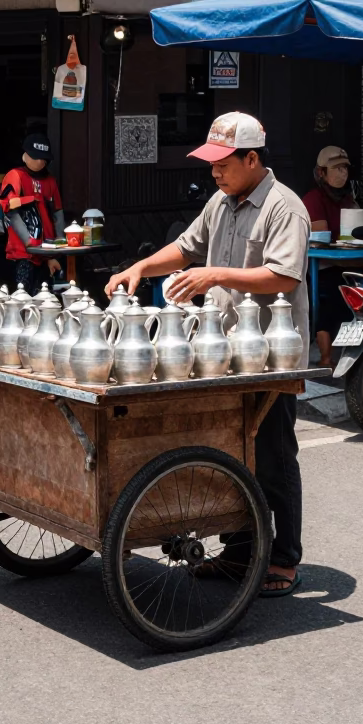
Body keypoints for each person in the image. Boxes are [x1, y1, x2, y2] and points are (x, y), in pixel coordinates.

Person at [106, 112, 309, 597]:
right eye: (211, 164)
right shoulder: (221, 202)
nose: (214, 173)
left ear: (252, 158)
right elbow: (185, 248)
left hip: (270, 357)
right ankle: (239, 552)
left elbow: (283, 276)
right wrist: (140, 267)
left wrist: (215, 275)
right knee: (228, 452)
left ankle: (284, 558)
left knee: (273, 455)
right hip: (223, 354)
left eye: (223, 164)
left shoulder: (286, 207)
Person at [302, 146, 358, 367]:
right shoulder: (313, 199)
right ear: (321, 172)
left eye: (344, 168)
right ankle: (327, 357)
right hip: (323, 266)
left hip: (349, 263)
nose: (342, 173)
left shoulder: (347, 199)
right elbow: (322, 242)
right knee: (327, 299)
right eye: (336, 168)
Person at [0, 133, 64, 294]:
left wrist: (60, 246)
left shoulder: (50, 181)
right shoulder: (15, 176)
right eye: (36, 157)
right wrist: (28, 242)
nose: (40, 162)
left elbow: (58, 212)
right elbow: (11, 210)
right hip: (23, 252)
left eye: (44, 158)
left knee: (44, 297)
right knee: (22, 297)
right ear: (25, 156)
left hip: (48, 250)